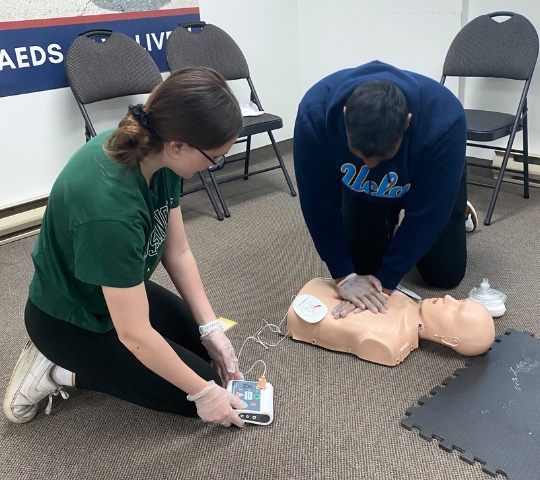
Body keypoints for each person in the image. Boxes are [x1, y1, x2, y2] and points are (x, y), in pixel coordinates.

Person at [3, 67, 248, 428]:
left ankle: (179, 361)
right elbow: (134, 333)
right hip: (70, 320)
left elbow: (176, 250)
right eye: (214, 158)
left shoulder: (158, 153)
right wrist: (203, 393)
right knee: (198, 398)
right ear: (178, 146)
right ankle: (56, 370)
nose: (212, 168)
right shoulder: (109, 212)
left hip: (112, 289)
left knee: (203, 352)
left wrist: (210, 327)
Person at [293, 61, 477, 316]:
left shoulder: (445, 120)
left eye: (380, 157)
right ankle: (383, 215)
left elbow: (427, 215)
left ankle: (457, 206)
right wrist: (343, 275)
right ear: (345, 115)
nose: (369, 163)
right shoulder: (314, 114)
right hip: (362, 187)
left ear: (407, 122)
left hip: (426, 182)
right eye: (361, 156)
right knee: (363, 267)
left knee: (444, 275)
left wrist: (387, 282)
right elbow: (317, 201)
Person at [287, 278, 495, 366]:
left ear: (451, 341)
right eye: (459, 300)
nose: (449, 299)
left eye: (456, 310)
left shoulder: (392, 340)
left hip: (306, 311)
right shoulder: (408, 301)